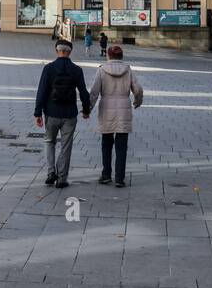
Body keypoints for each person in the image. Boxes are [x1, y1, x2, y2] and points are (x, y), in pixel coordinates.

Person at [33, 39, 91, 189]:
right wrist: (86, 110)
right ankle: (62, 178)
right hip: (70, 114)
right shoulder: (76, 70)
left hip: (51, 112)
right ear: (70, 52)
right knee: (66, 146)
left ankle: (51, 172)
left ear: (56, 50)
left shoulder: (49, 68)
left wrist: (37, 112)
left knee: (49, 141)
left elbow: (42, 91)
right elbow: (84, 92)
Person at [89, 45, 144, 187]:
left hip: (106, 109)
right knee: (121, 146)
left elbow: (94, 92)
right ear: (121, 56)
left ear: (108, 55)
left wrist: (87, 109)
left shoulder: (101, 70)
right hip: (124, 109)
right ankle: (120, 178)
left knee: (106, 144)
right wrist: (137, 101)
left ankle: (106, 174)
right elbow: (138, 89)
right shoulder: (128, 70)